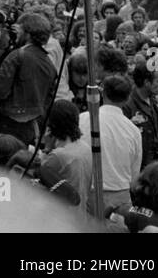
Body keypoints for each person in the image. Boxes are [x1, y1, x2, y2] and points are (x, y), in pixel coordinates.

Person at [78, 74, 143, 210]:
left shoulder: (83, 119)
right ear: (128, 98)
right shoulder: (133, 131)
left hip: (89, 193)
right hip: (119, 198)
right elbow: (133, 178)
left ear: (103, 93)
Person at [38, 100, 93, 213]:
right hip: (82, 215)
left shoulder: (57, 156)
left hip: (64, 218)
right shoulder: (85, 148)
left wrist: (47, 148)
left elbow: (40, 172)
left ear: (51, 126)